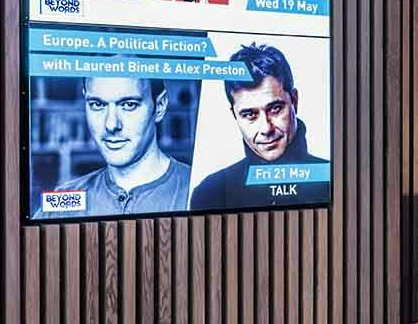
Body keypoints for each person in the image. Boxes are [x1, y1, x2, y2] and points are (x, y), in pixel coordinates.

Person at [191, 43, 328, 209]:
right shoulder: (210, 193)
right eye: (250, 114)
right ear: (235, 115)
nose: (266, 128)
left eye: (275, 109)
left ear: (295, 101)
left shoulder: (337, 179)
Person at [34, 76, 191, 218]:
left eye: (129, 105)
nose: (111, 124)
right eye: (97, 104)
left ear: (160, 106)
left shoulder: (198, 190)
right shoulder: (61, 199)